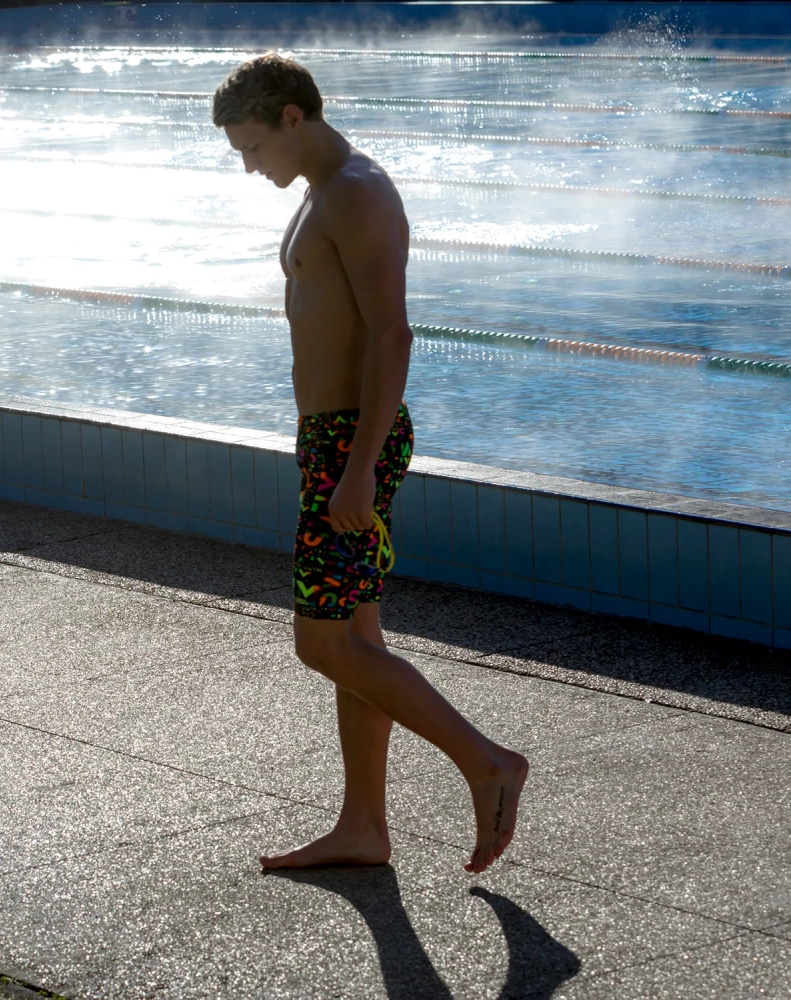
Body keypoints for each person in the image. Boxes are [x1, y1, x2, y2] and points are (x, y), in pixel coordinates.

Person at [213, 54, 528, 875]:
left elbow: (393, 333)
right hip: (333, 440)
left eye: (254, 147)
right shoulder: (324, 191)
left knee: (321, 643)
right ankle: (362, 827)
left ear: (292, 116)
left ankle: (487, 761)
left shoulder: (356, 191)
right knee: (355, 635)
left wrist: (355, 470)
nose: (251, 168)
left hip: (351, 445)